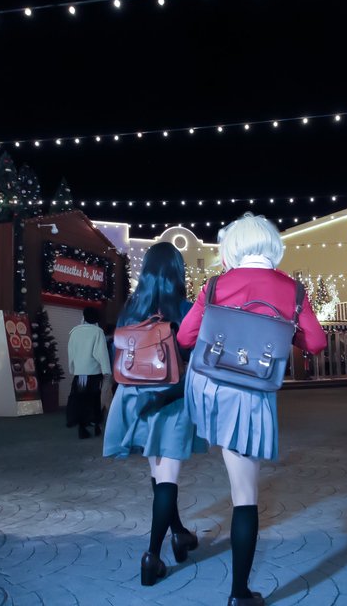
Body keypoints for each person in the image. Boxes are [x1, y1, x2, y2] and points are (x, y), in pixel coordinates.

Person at [177, 212, 327, 606]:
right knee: (245, 493)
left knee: (227, 464)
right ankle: (239, 594)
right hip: (250, 393)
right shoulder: (292, 289)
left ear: (233, 247)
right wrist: (284, 329)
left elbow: (186, 337)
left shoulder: (216, 285)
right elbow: (316, 342)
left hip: (209, 389)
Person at [102, 241, 207, 587]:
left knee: (159, 475)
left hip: (136, 399)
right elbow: (197, 356)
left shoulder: (131, 309)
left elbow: (119, 354)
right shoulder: (185, 309)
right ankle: (152, 556)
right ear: (177, 272)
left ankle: (179, 535)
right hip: (170, 398)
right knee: (168, 478)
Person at [67, 306, 112, 439]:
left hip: (80, 373)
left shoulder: (74, 332)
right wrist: (106, 370)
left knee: (80, 399)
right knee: (95, 398)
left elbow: (71, 352)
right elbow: (101, 353)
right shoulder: (97, 332)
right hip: (94, 373)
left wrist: (72, 368)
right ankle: (96, 425)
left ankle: (82, 427)